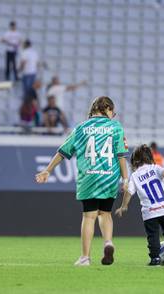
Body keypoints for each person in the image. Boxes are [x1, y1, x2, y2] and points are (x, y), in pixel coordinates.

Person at [35, 96, 129, 266]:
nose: (112, 115)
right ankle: (108, 242)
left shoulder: (81, 128)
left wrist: (48, 170)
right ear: (106, 108)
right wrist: (125, 178)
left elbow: (63, 152)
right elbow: (121, 155)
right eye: (112, 112)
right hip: (109, 177)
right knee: (105, 213)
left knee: (89, 216)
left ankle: (85, 257)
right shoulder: (115, 127)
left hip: (89, 177)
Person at [115, 144, 164, 266]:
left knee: (153, 236)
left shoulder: (135, 176)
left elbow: (129, 192)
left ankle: (155, 258)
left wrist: (123, 206)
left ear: (134, 161)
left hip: (150, 212)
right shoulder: (155, 168)